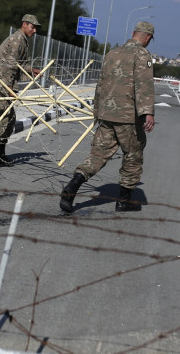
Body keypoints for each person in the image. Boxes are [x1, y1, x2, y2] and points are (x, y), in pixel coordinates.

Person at [59, 21, 156, 213]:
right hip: (128, 118)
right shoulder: (142, 54)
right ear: (147, 38)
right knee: (133, 156)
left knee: (97, 155)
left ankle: (71, 189)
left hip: (106, 113)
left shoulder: (112, 53)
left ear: (133, 33)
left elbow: (100, 84)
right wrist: (148, 113)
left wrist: (97, 111)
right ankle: (124, 201)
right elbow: (143, 85)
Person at [0, 14, 41, 170]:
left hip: (5, 82)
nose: (35, 30)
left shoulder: (22, 40)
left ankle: (0, 156)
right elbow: (9, 67)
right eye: (33, 26)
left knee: (9, 119)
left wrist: (31, 70)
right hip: (1, 82)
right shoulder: (17, 40)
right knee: (1, 117)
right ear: (25, 24)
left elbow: (19, 64)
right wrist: (9, 89)